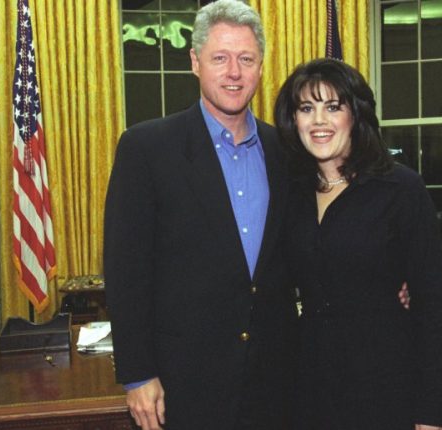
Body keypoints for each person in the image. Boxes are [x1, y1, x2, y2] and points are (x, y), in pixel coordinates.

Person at [103, 1, 298, 429]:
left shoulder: (286, 150)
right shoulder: (146, 148)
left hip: (275, 382)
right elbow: (126, 271)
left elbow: (306, 248)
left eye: (246, 59)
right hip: (183, 385)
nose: (234, 72)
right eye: (220, 58)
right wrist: (137, 374)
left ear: (261, 66)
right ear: (195, 62)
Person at [274, 58, 442, 430]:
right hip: (307, 385)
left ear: (355, 115)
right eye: (307, 108)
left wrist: (431, 414)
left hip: (384, 383)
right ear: (294, 121)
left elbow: (432, 307)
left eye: (333, 107)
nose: (319, 120)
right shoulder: (289, 193)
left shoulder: (401, 189)